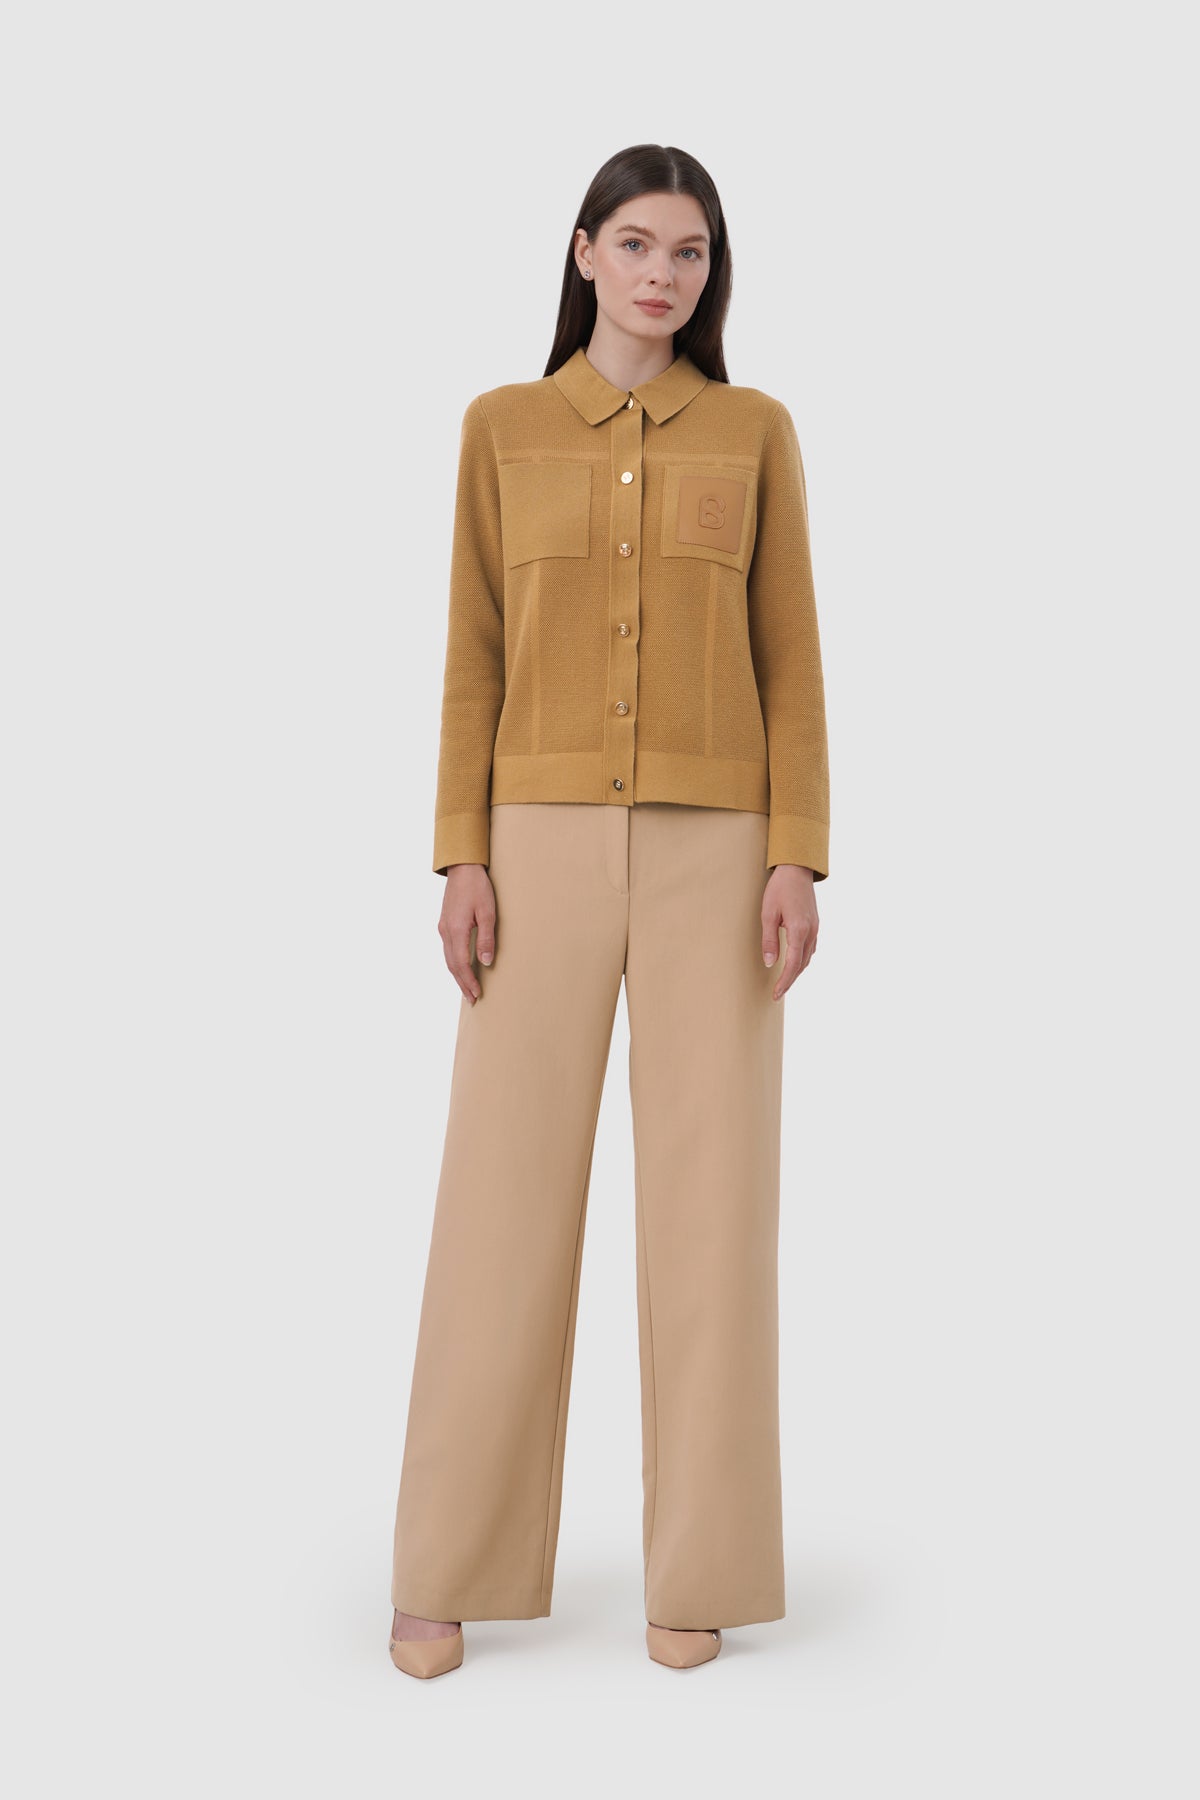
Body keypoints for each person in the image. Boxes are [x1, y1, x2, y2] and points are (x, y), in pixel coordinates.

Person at [388, 142, 831, 1679]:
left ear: (713, 273)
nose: (662, 275)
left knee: (715, 1211)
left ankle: (699, 1568)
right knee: (499, 1206)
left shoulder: (755, 432)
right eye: (636, 244)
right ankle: (446, 1563)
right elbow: (472, 655)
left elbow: (792, 656)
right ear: (583, 252)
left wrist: (798, 852)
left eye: (689, 252)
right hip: (536, 846)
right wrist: (461, 852)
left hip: (722, 854)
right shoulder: (501, 429)